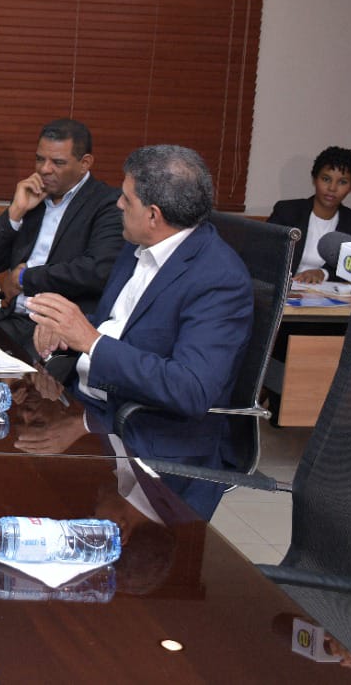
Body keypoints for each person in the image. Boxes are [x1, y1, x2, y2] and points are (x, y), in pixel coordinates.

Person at [27, 145, 253, 520]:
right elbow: (126, 327)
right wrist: (65, 335)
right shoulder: (138, 246)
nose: (118, 204)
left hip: (144, 438)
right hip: (88, 409)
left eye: (126, 198)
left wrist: (90, 341)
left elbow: (191, 388)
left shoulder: (219, 279)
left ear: (153, 215)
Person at [0, 118, 124, 355]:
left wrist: (25, 277)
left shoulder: (107, 204)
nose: (44, 169)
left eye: (57, 162)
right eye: (40, 159)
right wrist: (15, 213)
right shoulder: (33, 198)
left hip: (55, 332)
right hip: (13, 319)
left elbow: (97, 270)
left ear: (85, 163)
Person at [267, 146, 351, 284]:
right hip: (284, 288)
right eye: (326, 179)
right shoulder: (286, 211)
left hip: (328, 293)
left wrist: (323, 273)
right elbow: (264, 254)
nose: (332, 188)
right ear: (314, 179)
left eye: (342, 182)